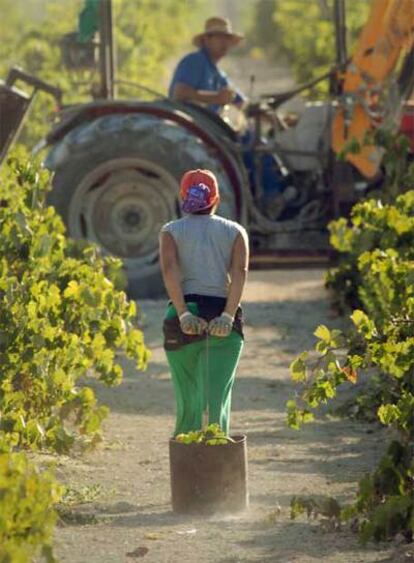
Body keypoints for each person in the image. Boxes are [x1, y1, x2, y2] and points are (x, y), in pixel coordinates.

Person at [159, 169, 249, 437]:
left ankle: (187, 467)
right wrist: (228, 316)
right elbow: (240, 273)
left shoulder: (170, 232)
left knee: (188, 401)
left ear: (182, 197)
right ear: (217, 199)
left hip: (182, 317)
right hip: (223, 316)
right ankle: (218, 468)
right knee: (216, 401)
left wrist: (185, 314)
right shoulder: (235, 232)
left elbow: (169, 270)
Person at [168, 16, 246, 114]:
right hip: (185, 124)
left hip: (204, 125)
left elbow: (240, 100)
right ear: (206, 40)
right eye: (219, 37)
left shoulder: (219, 74)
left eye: (227, 38)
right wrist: (216, 98)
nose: (224, 42)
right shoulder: (195, 61)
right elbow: (179, 93)